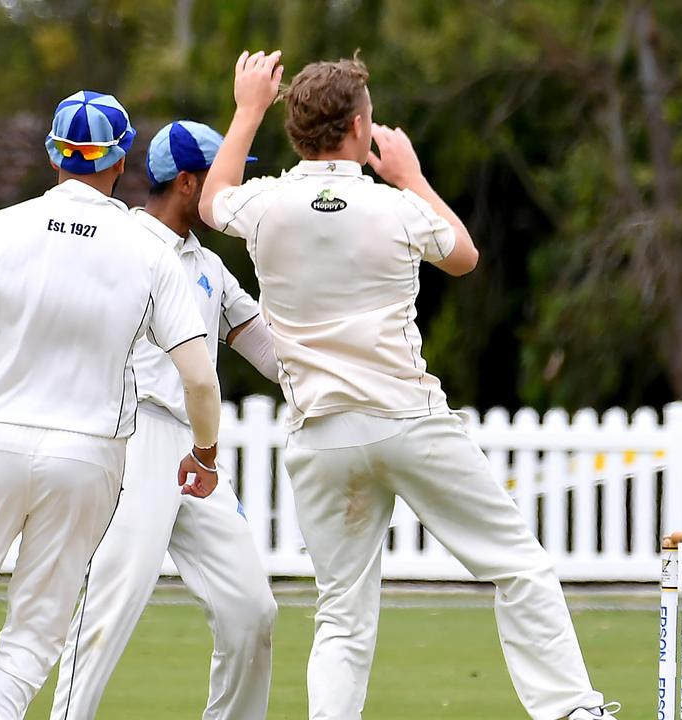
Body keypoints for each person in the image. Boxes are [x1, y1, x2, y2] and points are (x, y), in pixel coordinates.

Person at [195, 50, 620, 720]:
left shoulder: (265, 203)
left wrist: (247, 108)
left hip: (321, 433)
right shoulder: (395, 207)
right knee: (519, 566)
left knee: (341, 617)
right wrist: (413, 175)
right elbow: (465, 254)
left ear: (296, 131)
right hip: (405, 419)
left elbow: (212, 200)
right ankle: (572, 712)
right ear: (361, 129)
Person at [0, 91, 221, 720]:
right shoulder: (148, 249)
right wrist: (203, 452)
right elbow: (199, 380)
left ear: (52, 157)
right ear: (121, 162)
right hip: (90, 456)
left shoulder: (0, 228)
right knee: (39, 622)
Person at [49, 120, 280, 720]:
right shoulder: (116, 237)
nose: (231, 190)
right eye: (220, 178)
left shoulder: (207, 263)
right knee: (108, 609)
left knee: (252, 610)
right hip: (133, 437)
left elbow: (269, 351)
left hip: (193, 453)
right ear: (186, 182)